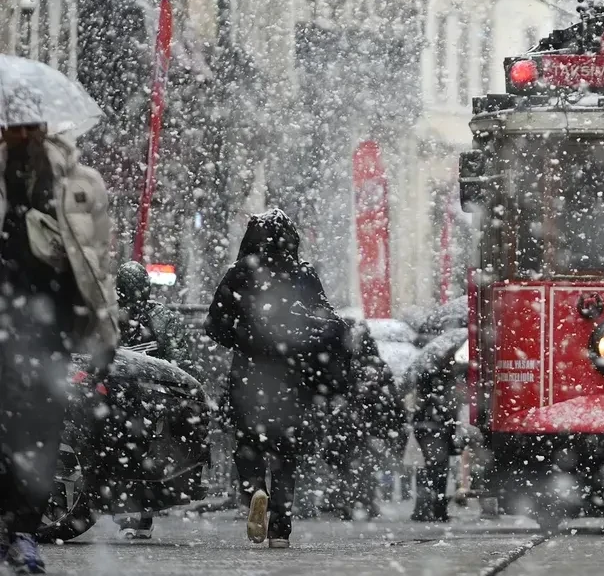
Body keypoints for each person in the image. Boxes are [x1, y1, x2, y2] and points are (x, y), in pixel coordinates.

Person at [0, 121, 115, 573]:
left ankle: (23, 530)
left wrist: (106, 330)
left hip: (53, 324)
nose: (22, 129)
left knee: (40, 430)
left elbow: (99, 261)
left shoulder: (79, 182)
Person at [205, 209, 351, 549]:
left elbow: (214, 325)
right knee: (286, 455)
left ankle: (255, 491)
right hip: (291, 378)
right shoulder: (303, 275)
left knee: (247, 445)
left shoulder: (240, 273)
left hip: (248, 376)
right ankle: (280, 528)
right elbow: (328, 321)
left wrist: (240, 338)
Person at [114, 260, 194, 539]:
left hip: (132, 400)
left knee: (128, 455)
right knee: (142, 456)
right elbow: (180, 361)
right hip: (144, 400)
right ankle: (140, 515)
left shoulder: (117, 316)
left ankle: (132, 515)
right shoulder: (159, 317)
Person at [329, 319, 405, 521]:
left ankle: (346, 501)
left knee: (349, 464)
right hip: (371, 422)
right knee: (367, 464)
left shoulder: (346, 363)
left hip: (351, 421)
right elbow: (392, 396)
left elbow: (338, 391)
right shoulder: (377, 365)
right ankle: (365, 500)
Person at [406, 340, 465, 522]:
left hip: (426, 426)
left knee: (426, 468)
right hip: (436, 426)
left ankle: (424, 508)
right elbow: (449, 406)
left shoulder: (427, 374)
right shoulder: (446, 378)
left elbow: (418, 400)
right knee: (438, 469)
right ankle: (437, 509)